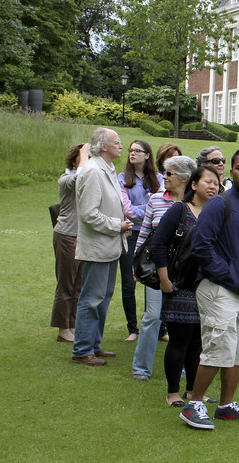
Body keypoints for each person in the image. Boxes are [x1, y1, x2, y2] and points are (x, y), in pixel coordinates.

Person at [179, 146, 239, 430]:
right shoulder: (220, 203)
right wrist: (226, 274)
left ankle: (226, 406)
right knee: (219, 346)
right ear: (230, 172)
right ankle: (194, 403)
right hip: (217, 288)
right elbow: (201, 246)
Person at [151, 164, 220, 407]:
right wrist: (164, 280)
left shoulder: (218, 213)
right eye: (207, 181)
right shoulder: (179, 211)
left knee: (198, 343)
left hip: (208, 287)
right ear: (193, 185)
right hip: (180, 285)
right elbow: (158, 245)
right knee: (179, 340)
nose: (213, 186)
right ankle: (173, 393)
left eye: (216, 182)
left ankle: (193, 390)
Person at [71, 128, 134, 366]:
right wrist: (117, 225)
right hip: (98, 247)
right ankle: (82, 350)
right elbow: (88, 214)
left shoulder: (106, 169)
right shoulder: (92, 171)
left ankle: (93, 345)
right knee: (92, 298)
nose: (121, 146)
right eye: (116, 142)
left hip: (110, 246)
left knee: (103, 297)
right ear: (103, 146)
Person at [131, 156, 195, 380]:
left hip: (188, 271)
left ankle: (187, 369)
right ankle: (141, 368)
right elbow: (145, 233)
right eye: (164, 173)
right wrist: (136, 265)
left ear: (185, 178)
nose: (164, 177)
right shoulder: (156, 200)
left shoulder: (198, 203)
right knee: (152, 316)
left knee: (187, 320)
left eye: (169, 174)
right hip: (160, 268)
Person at [118, 139, 162, 342]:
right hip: (131, 234)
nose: (132, 153)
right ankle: (132, 328)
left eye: (138, 150)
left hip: (153, 235)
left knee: (154, 281)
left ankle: (158, 328)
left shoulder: (159, 179)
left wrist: (144, 211)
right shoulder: (122, 179)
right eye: (131, 150)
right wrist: (150, 210)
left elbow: (164, 202)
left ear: (147, 155)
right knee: (129, 282)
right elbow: (127, 209)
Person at [52, 143, 90, 343]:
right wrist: (83, 153)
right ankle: (63, 328)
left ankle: (72, 325)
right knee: (66, 284)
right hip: (66, 235)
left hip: (82, 237)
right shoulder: (66, 179)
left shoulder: (88, 176)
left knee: (78, 285)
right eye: (86, 156)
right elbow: (79, 177)